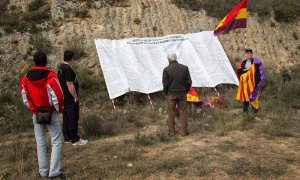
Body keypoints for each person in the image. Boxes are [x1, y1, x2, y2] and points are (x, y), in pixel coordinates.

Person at [20, 52, 65, 178]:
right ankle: (54, 172)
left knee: (40, 142)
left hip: (36, 113)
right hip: (51, 112)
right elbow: (58, 96)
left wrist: (33, 108)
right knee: (56, 141)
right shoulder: (51, 77)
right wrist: (59, 109)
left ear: (34, 62)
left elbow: (24, 97)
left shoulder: (25, 78)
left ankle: (43, 171)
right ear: (46, 61)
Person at [58, 51, 88, 146]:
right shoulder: (68, 69)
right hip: (70, 97)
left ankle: (67, 138)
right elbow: (70, 84)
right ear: (72, 59)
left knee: (66, 117)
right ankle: (75, 139)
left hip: (64, 97)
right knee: (73, 117)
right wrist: (75, 96)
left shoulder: (60, 68)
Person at [162, 53, 192, 136]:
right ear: (175, 59)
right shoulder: (185, 68)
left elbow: (165, 84)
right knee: (183, 112)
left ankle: (171, 132)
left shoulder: (166, 69)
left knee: (171, 112)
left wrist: (166, 92)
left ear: (169, 60)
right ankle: (183, 132)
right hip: (182, 93)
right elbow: (189, 81)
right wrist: (186, 90)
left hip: (171, 94)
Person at [236, 48, 264, 113]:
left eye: (251, 53)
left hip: (254, 83)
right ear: (245, 55)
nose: (249, 54)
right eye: (248, 53)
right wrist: (246, 69)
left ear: (252, 54)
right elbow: (238, 71)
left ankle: (255, 111)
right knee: (245, 97)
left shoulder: (256, 62)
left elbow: (260, 72)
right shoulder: (243, 63)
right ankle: (245, 112)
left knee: (254, 96)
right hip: (245, 84)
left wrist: (258, 82)